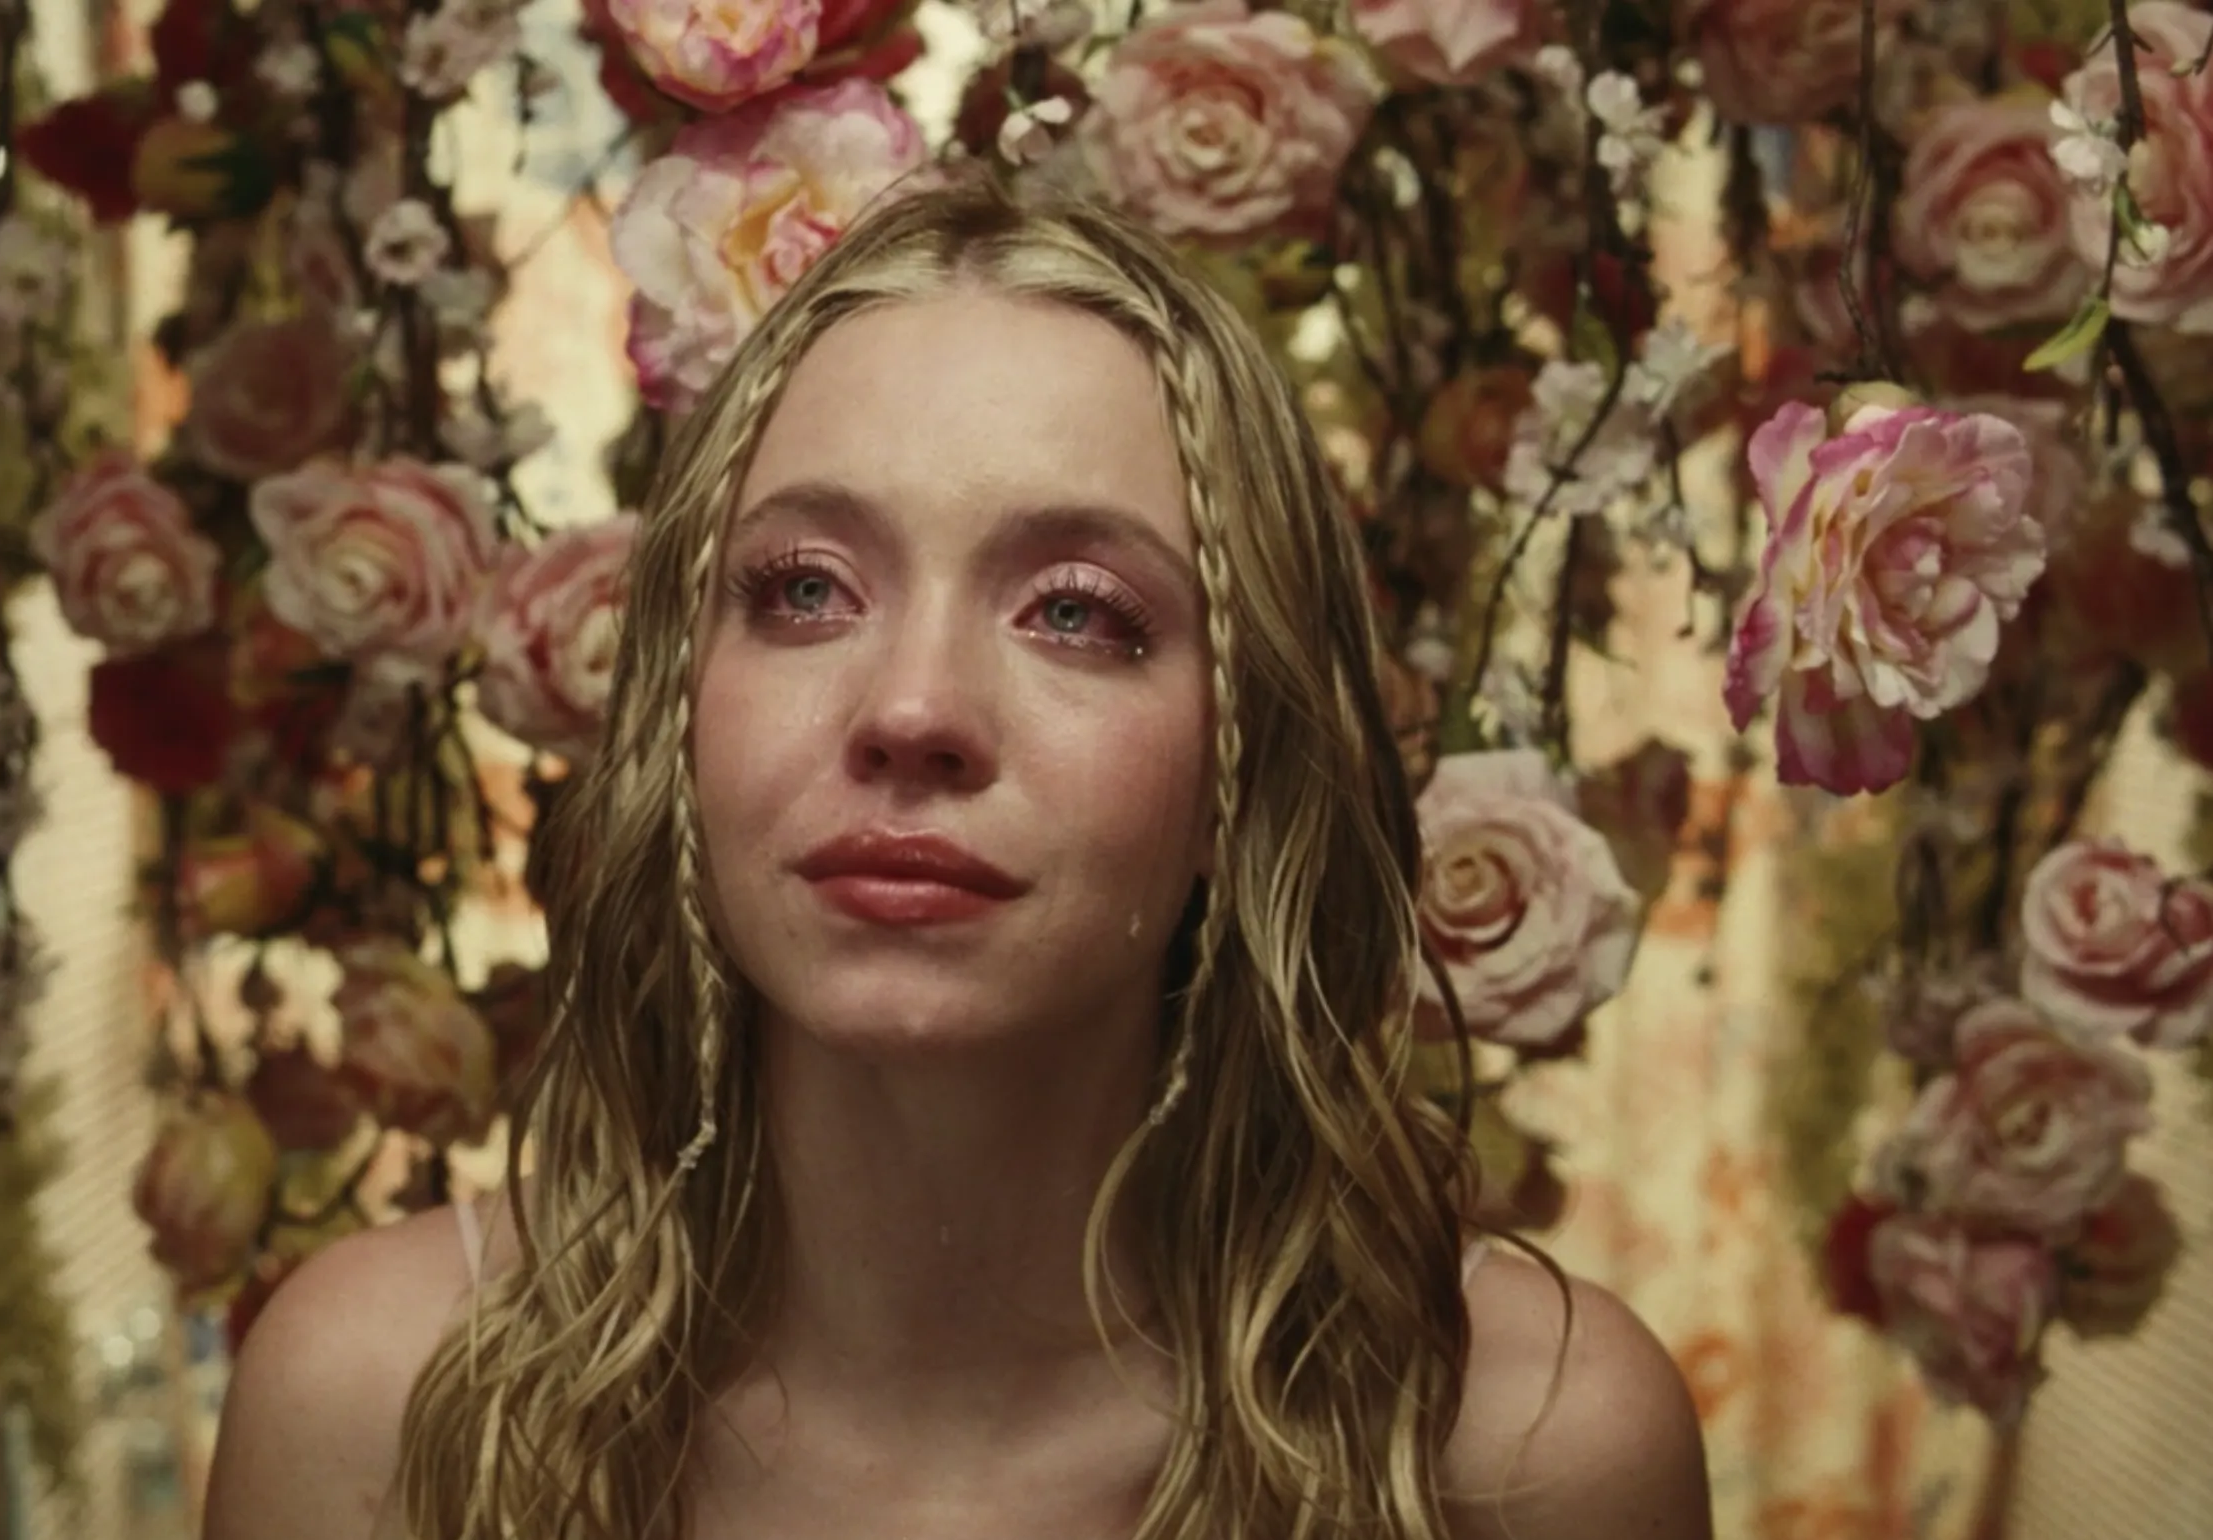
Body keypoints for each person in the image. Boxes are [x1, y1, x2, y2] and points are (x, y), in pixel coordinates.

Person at [202, 172, 1712, 1540]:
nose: (913, 711)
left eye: (1076, 612)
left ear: (1239, 772)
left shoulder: (1526, 1453)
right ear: (678, 710)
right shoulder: (376, 1407)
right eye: (805, 591)